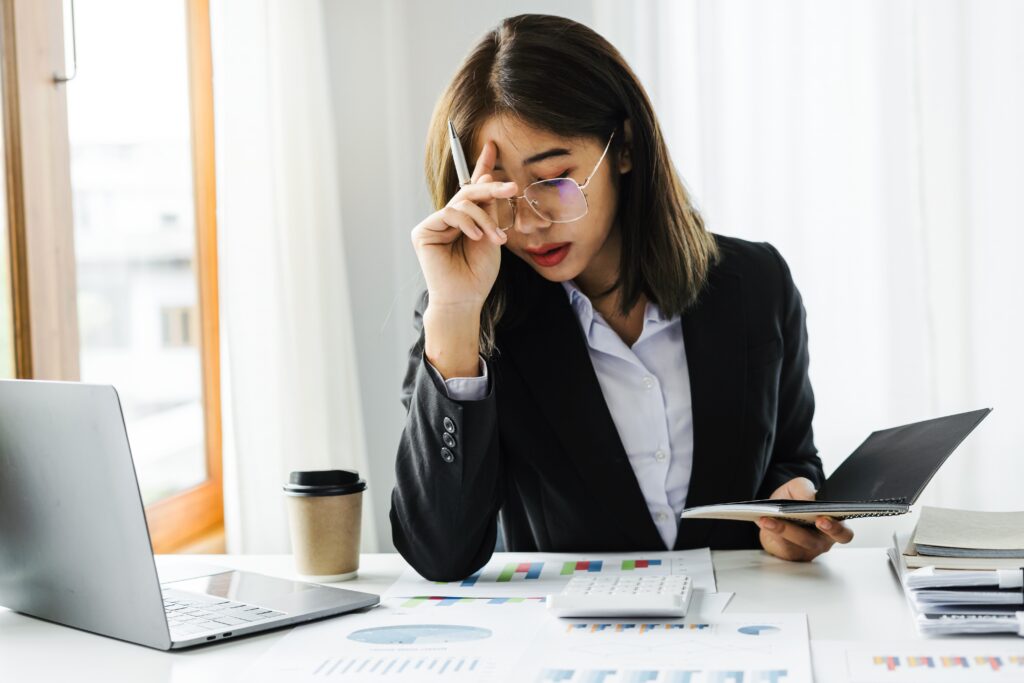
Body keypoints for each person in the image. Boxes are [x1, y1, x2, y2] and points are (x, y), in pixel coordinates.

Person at [391, 14, 853, 582]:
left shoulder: (755, 283)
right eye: (500, 195)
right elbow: (440, 554)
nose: (529, 224)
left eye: (555, 180)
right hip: (567, 646)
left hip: (742, 628)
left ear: (626, 148)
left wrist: (795, 514)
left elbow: (791, 458)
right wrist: (457, 315)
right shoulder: (471, 317)